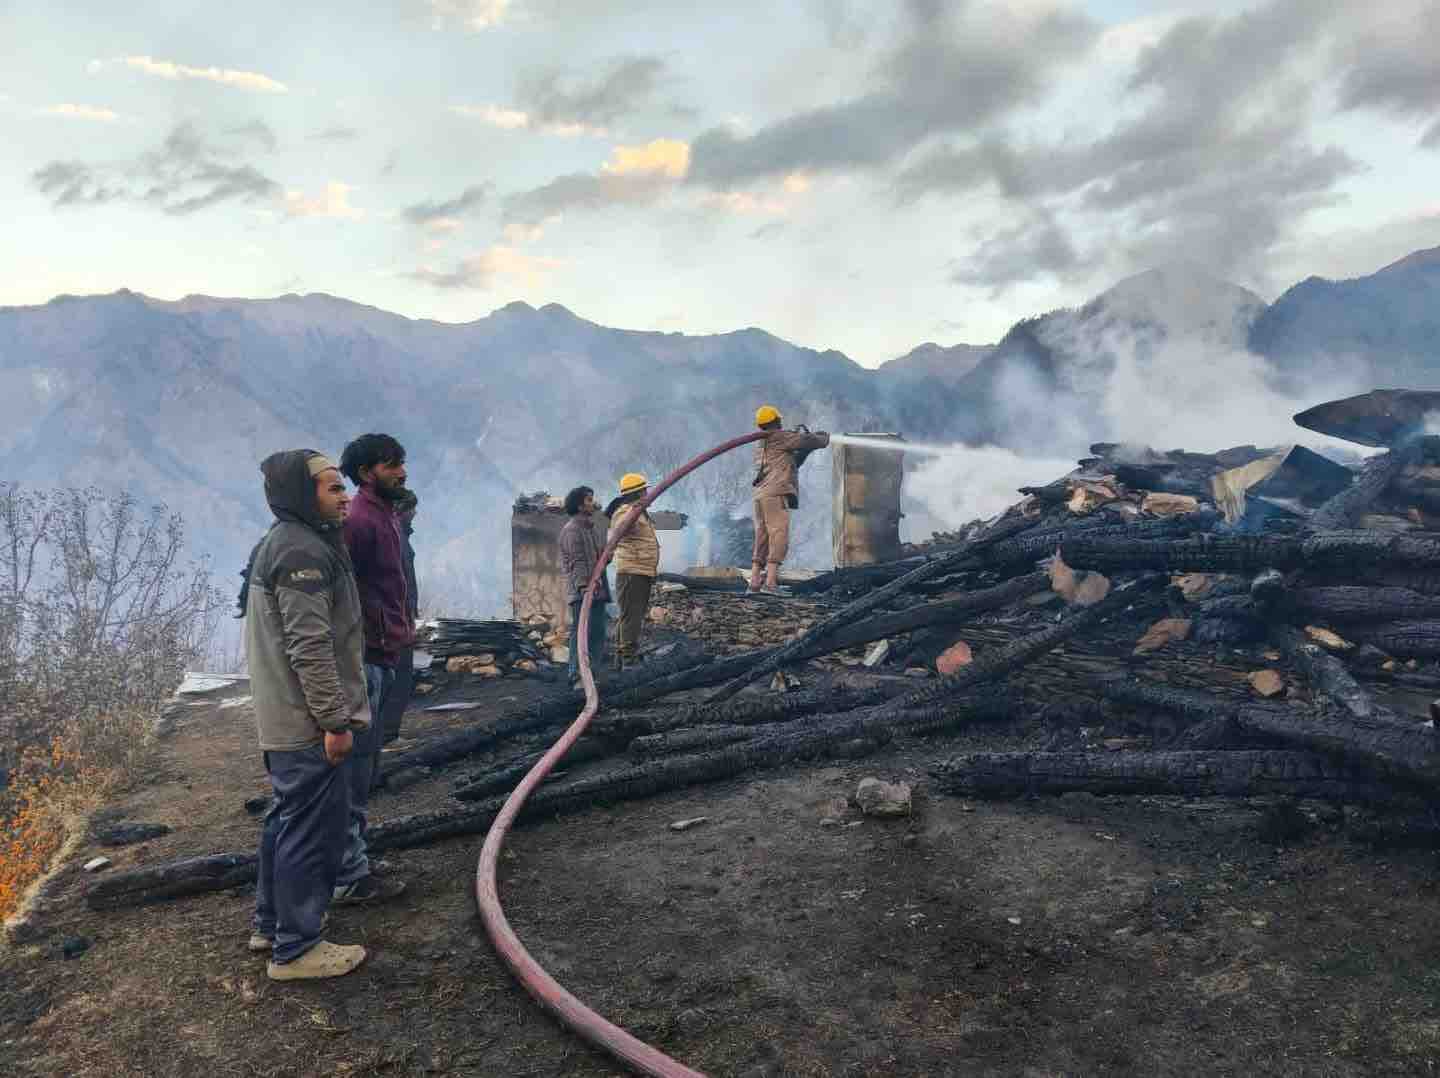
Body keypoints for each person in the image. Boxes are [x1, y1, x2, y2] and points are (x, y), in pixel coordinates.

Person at [242, 449, 369, 981]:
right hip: (305, 725)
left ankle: (271, 925)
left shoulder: (284, 542)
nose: (344, 498)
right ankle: (297, 948)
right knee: (311, 832)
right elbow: (310, 647)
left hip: (283, 720)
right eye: (333, 488)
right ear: (302, 494)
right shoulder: (302, 553)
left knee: (285, 822)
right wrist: (335, 723)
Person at [334, 433, 413, 905]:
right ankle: (348, 875)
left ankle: (353, 859)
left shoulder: (385, 515)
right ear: (367, 473)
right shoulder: (360, 521)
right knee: (354, 770)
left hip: (383, 653)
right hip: (364, 659)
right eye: (392, 465)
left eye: (402, 463)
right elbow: (342, 593)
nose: (402, 472)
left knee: (366, 766)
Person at [750, 404, 830, 594]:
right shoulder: (779, 437)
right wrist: (824, 437)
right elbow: (811, 441)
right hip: (775, 494)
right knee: (779, 536)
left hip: (761, 496)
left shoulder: (762, 443)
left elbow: (791, 462)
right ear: (776, 421)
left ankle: (754, 582)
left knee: (762, 537)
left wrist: (802, 447)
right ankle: (770, 583)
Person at [604, 473, 659, 671]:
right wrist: (634, 510)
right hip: (631, 572)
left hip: (641, 571)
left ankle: (622, 658)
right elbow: (620, 529)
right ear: (638, 492)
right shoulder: (625, 511)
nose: (648, 494)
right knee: (631, 616)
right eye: (645, 491)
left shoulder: (639, 511)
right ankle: (628, 659)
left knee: (630, 615)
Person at [378, 489, 419, 744]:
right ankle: (388, 734)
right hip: (396, 618)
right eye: (412, 508)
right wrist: (404, 618)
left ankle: (387, 732)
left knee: (398, 676)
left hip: (399, 616)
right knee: (399, 676)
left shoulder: (399, 535)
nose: (415, 513)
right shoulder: (396, 538)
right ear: (402, 510)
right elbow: (398, 582)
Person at [559, 485, 610, 685]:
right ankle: (576, 674)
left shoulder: (590, 529)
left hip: (596, 589)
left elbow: (597, 559)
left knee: (597, 632)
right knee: (581, 633)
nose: (592, 504)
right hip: (583, 592)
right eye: (589, 500)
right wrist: (583, 587)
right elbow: (576, 562)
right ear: (579, 506)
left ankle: (592, 673)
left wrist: (607, 557)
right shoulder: (572, 531)